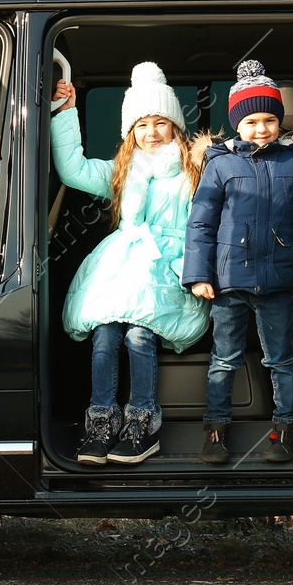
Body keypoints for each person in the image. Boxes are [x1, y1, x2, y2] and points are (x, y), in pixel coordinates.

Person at [182, 59, 293, 464]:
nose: (261, 129)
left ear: (280, 122)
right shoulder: (220, 164)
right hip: (228, 283)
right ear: (237, 125)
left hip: (276, 282)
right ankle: (216, 430)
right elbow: (201, 224)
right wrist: (198, 275)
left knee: (281, 358)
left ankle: (287, 430)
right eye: (252, 121)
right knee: (224, 358)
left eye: (269, 120)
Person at [52, 62, 209, 465]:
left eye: (161, 122)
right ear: (130, 133)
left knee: (140, 335)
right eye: (141, 124)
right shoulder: (122, 172)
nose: (151, 132)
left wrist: (191, 272)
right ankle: (101, 420)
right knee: (105, 334)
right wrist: (66, 112)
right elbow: (73, 169)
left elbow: (202, 227)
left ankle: (142, 422)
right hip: (123, 269)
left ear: (176, 127)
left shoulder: (193, 173)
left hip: (168, 269)